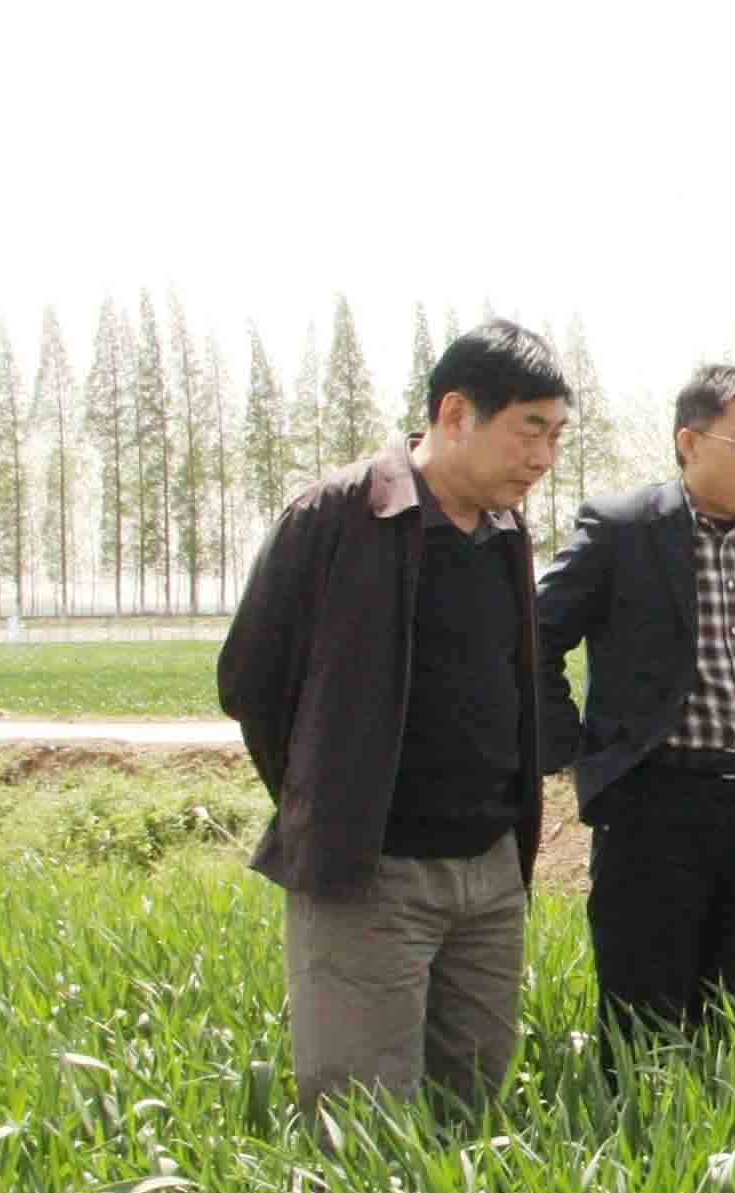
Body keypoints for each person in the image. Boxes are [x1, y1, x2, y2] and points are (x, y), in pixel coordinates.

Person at [218, 319, 570, 1126]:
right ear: (455, 413)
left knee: (473, 1106)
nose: (543, 457)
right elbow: (253, 682)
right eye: (529, 431)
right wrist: (326, 799)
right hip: (371, 872)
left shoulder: (506, 532)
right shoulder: (338, 515)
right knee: (364, 1122)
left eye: (556, 436)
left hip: (489, 873)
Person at [535, 363, 735, 1071]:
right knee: (640, 1024)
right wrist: (576, 751)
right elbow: (532, 637)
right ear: (689, 443)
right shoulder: (622, 530)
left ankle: (721, 1132)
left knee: (732, 1019)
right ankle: (637, 1134)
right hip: (651, 805)